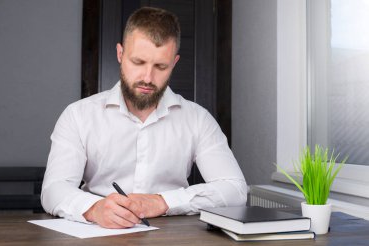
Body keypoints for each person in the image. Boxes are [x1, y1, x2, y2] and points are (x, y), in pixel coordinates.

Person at [41, 6, 247, 229]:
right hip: (97, 232)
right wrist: (94, 208)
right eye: (138, 62)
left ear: (174, 63)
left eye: (160, 66)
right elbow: (53, 190)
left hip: (174, 236)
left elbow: (235, 190)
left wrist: (163, 202)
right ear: (120, 54)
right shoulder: (78, 115)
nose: (148, 78)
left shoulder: (198, 119)